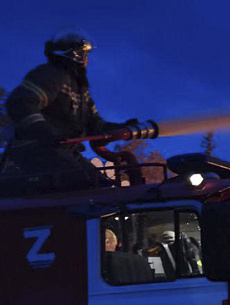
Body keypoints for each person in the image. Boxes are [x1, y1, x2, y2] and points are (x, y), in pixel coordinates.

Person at [2, 30, 139, 193]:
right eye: (86, 54)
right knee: (79, 183)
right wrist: (43, 130)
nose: (87, 60)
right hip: (36, 150)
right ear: (77, 54)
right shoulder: (51, 75)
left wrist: (121, 128)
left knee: (101, 185)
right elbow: (21, 103)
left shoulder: (80, 88)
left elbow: (94, 124)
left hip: (64, 150)